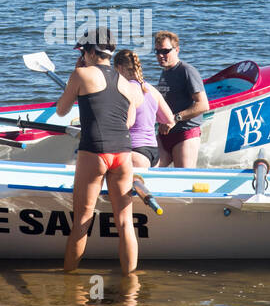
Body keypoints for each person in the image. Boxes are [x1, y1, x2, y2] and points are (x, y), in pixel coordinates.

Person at [55, 28, 143, 275]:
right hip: (123, 154)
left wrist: (78, 72)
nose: (82, 56)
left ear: (91, 52)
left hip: (94, 152)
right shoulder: (128, 85)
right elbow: (127, 122)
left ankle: (70, 283)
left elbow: (61, 110)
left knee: (82, 222)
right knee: (125, 222)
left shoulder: (80, 74)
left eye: (83, 52)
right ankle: (130, 288)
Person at [152, 30, 209, 167]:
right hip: (165, 133)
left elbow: (203, 105)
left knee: (183, 177)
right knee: (150, 169)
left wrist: (175, 118)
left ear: (176, 50)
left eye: (165, 51)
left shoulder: (186, 71)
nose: (161, 55)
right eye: (157, 52)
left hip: (185, 133)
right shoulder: (165, 72)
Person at [113, 49, 173, 170]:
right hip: (154, 152)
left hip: (135, 150)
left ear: (119, 68)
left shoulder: (127, 89)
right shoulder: (151, 89)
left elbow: (126, 123)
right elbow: (169, 119)